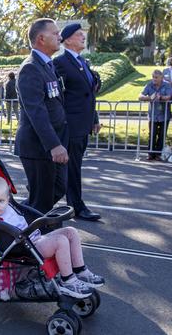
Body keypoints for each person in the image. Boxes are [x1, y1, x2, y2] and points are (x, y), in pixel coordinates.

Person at [0, 173, 104, 299]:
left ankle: (80, 270)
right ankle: (67, 281)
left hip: (34, 239)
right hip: (23, 248)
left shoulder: (11, 208)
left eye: (1, 200)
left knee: (71, 231)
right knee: (60, 241)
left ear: (8, 198)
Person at [14, 18, 68, 214]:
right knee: (41, 200)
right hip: (37, 146)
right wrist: (54, 145)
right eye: (55, 33)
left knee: (58, 188)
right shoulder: (30, 68)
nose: (60, 37)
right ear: (41, 38)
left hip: (51, 144)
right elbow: (36, 112)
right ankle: (24, 233)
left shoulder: (47, 66)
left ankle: (20, 222)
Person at [54, 23, 101, 221]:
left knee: (73, 166)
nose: (83, 37)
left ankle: (71, 204)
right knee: (71, 168)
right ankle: (77, 206)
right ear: (68, 40)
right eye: (78, 34)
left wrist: (94, 118)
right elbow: (58, 97)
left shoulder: (83, 62)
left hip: (83, 125)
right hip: (70, 125)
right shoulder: (60, 63)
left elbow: (89, 95)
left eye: (83, 34)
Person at [139, 70, 172, 161]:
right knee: (152, 135)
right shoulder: (149, 85)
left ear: (161, 78)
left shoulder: (166, 85)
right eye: (153, 77)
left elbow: (170, 95)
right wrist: (149, 98)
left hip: (164, 115)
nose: (154, 79)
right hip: (153, 115)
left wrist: (161, 97)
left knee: (162, 135)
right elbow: (140, 96)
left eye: (156, 77)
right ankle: (150, 153)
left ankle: (158, 154)